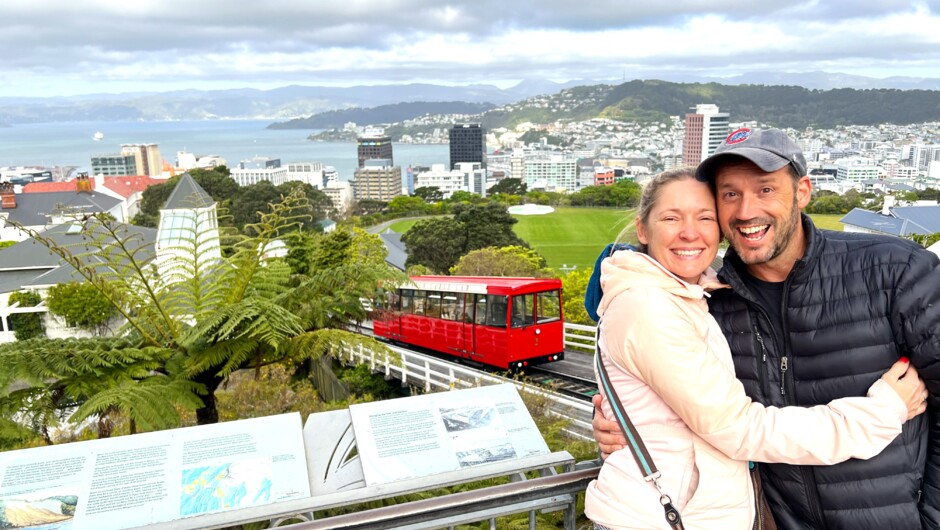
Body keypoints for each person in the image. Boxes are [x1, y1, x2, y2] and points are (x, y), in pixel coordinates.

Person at [590, 129, 940, 528]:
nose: (745, 211)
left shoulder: (894, 271)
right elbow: (719, 419)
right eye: (730, 194)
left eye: (765, 189)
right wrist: (619, 426)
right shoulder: (712, 302)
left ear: (803, 192)